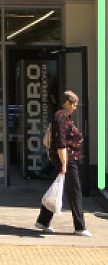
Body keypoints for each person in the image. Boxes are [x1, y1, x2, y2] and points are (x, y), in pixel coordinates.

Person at [35, 90, 91, 236]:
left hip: (64, 158)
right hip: (66, 159)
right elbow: (60, 142)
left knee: (57, 187)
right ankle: (80, 227)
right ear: (67, 102)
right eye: (74, 104)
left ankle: (43, 221)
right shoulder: (61, 117)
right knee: (74, 191)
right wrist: (64, 164)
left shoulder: (63, 116)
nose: (75, 108)